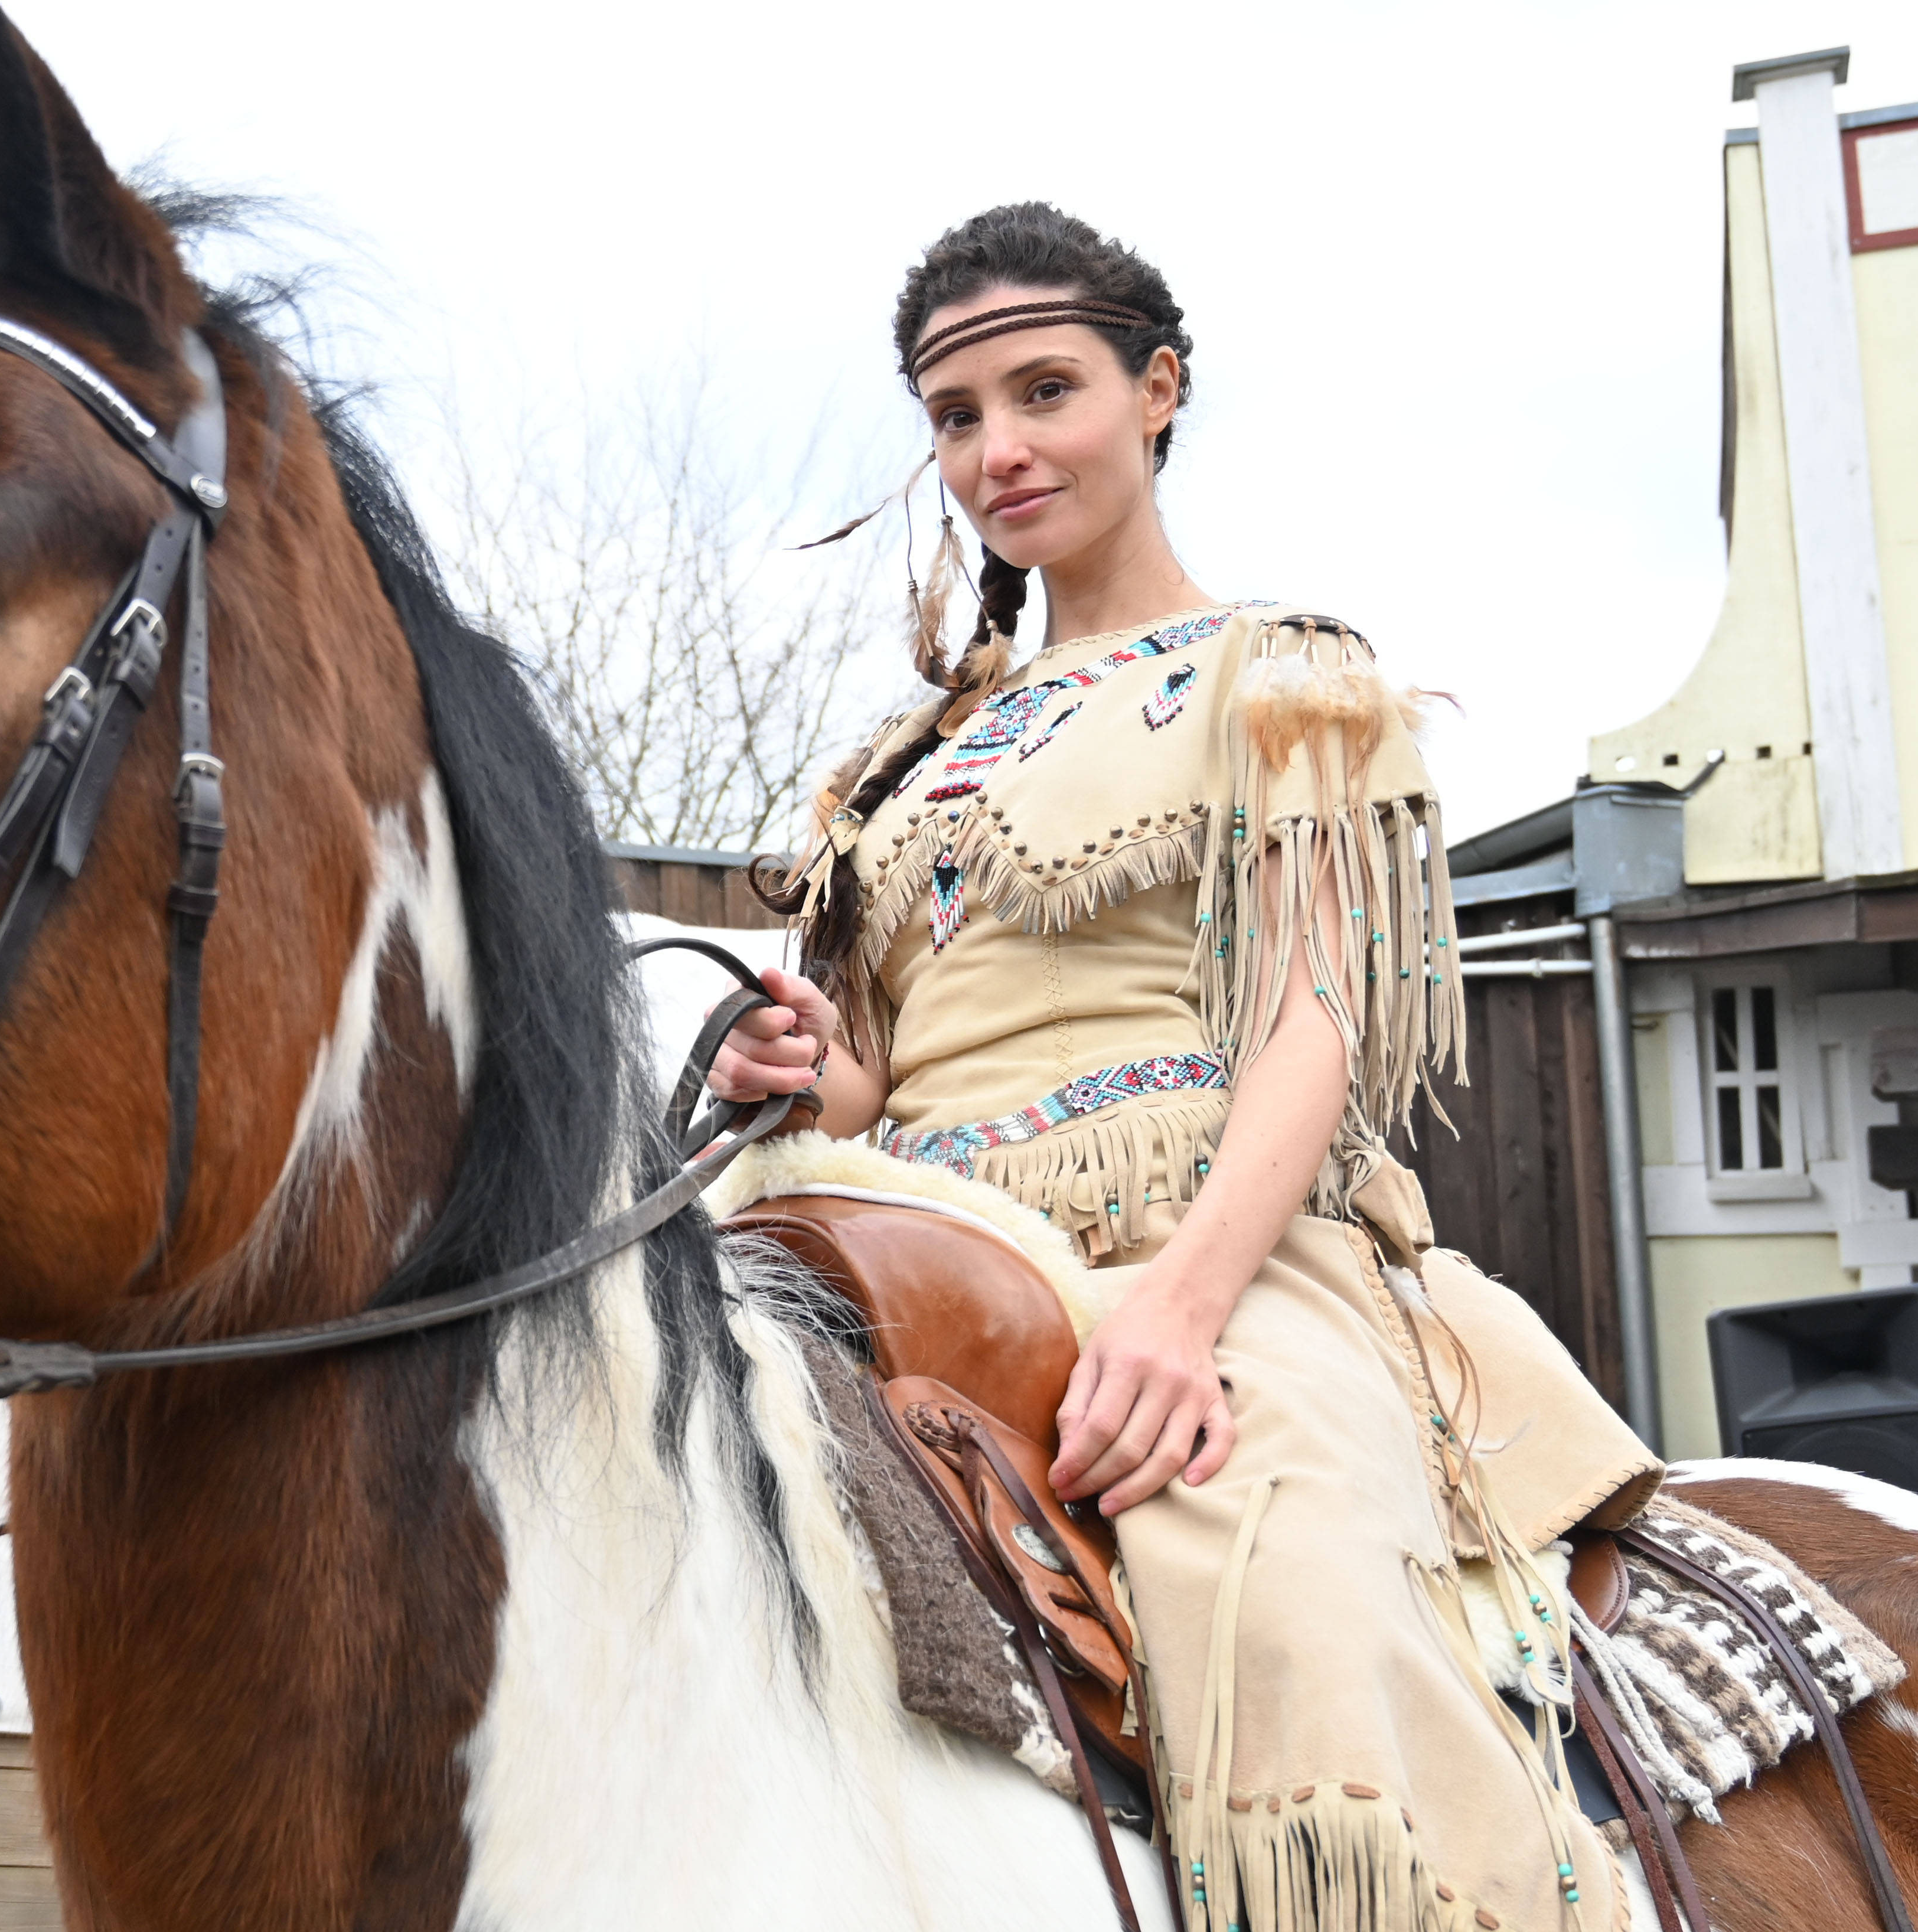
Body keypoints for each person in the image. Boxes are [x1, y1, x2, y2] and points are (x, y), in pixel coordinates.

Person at [713, 203, 1659, 1931]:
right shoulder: (906, 758)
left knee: (1284, 1587)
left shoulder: (1282, 677)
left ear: (1157, 392)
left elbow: (1318, 1018)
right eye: (954, 416)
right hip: (904, 1225)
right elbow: (873, 1072)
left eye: (1042, 391)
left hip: (1206, 1237)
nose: (995, 450)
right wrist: (799, 1072)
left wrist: (1175, 1311)